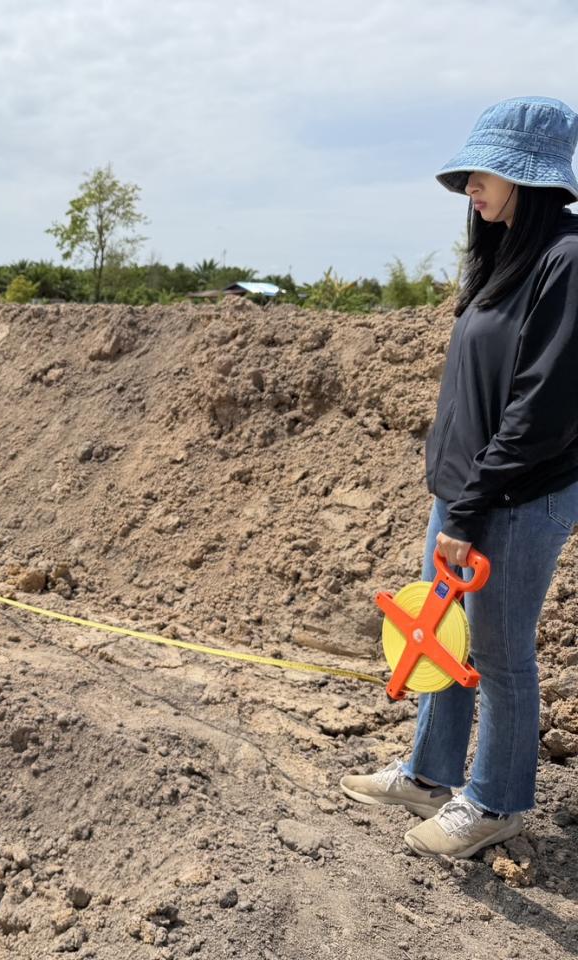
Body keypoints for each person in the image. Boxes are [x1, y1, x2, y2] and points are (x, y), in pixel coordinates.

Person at [341, 96, 578, 859]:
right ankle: (430, 773)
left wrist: (472, 508)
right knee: (440, 635)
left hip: (515, 497)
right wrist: (455, 496)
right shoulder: (507, 256)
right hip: (467, 492)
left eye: (484, 174)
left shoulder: (568, 258)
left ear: (527, 177)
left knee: (501, 652)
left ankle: (497, 801)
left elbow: (544, 404)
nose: (471, 188)